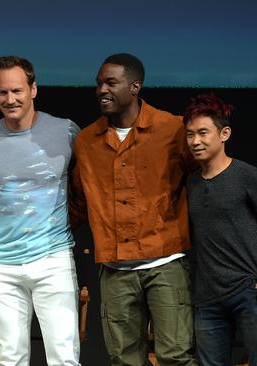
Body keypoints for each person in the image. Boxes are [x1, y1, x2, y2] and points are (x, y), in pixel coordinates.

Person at [70, 53, 198, 366]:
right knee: (124, 360)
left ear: (135, 86)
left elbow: (205, 181)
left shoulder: (172, 130)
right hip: (116, 270)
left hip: (166, 262)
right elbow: (77, 202)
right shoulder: (87, 141)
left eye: (111, 82)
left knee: (176, 357)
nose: (102, 89)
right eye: (99, 83)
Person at [0, 55, 81, 366]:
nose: (10, 99)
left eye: (17, 90)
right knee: (10, 360)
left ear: (33, 89)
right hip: (0, 264)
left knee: (64, 359)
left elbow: (88, 180)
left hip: (53, 258)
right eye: (2, 92)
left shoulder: (66, 131)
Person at [183, 93, 257, 365]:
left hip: (249, 291)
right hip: (207, 299)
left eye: (203, 133)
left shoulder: (247, 175)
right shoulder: (191, 183)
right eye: (190, 134)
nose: (196, 141)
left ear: (224, 134)